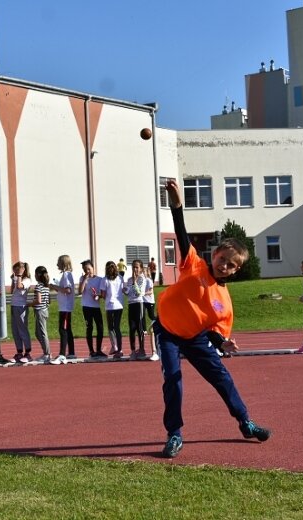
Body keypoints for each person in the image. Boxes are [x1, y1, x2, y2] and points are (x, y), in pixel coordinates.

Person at [153, 179, 270, 458]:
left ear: (235, 271)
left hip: (196, 338)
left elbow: (215, 332)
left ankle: (246, 422)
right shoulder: (193, 264)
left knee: (222, 377)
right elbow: (181, 231)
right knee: (173, 377)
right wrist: (176, 201)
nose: (225, 266)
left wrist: (222, 343)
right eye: (223, 259)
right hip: (168, 332)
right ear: (215, 254)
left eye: (232, 265)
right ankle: (175, 435)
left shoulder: (225, 303)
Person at [49, 255, 75, 364]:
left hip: (65, 307)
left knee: (63, 330)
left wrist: (54, 287)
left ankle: (62, 355)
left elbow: (67, 290)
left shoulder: (66, 275)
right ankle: (72, 353)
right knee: (67, 329)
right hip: (64, 307)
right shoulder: (65, 275)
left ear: (63, 263)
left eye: (58, 262)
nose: (57, 264)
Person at [79, 259, 105, 358]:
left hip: (96, 307)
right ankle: (91, 351)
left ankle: (98, 350)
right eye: (85, 270)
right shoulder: (82, 278)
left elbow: (102, 294)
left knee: (100, 327)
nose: (87, 272)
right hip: (86, 307)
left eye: (89, 269)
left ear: (93, 268)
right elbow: (80, 291)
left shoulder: (99, 279)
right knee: (89, 327)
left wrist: (98, 296)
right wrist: (85, 279)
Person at [124, 259, 148, 360]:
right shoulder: (129, 279)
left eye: (137, 267)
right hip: (131, 304)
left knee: (140, 328)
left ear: (141, 269)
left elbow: (138, 293)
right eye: (133, 267)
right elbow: (128, 292)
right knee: (132, 328)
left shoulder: (142, 279)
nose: (135, 269)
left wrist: (134, 281)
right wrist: (125, 290)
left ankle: (142, 349)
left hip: (139, 304)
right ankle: (133, 351)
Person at [10, 261, 33, 363]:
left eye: (16, 269)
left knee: (22, 330)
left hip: (21, 307)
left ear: (22, 270)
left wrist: (19, 275)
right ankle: (19, 352)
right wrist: (13, 279)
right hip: (14, 306)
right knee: (15, 331)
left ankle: (27, 353)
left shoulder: (27, 280)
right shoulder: (17, 279)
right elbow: (12, 290)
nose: (14, 271)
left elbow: (20, 287)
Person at [101, 260, 124, 358]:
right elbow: (123, 289)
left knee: (111, 327)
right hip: (119, 305)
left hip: (110, 306)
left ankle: (114, 346)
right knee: (117, 327)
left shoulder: (105, 279)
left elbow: (103, 294)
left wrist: (99, 295)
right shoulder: (120, 278)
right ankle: (120, 349)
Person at [31, 265, 52, 363]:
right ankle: (46, 352)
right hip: (44, 310)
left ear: (38, 275)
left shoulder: (39, 286)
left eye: (35, 274)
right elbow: (49, 300)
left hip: (40, 311)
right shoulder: (46, 286)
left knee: (42, 333)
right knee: (38, 333)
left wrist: (28, 304)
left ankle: (47, 354)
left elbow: (38, 301)